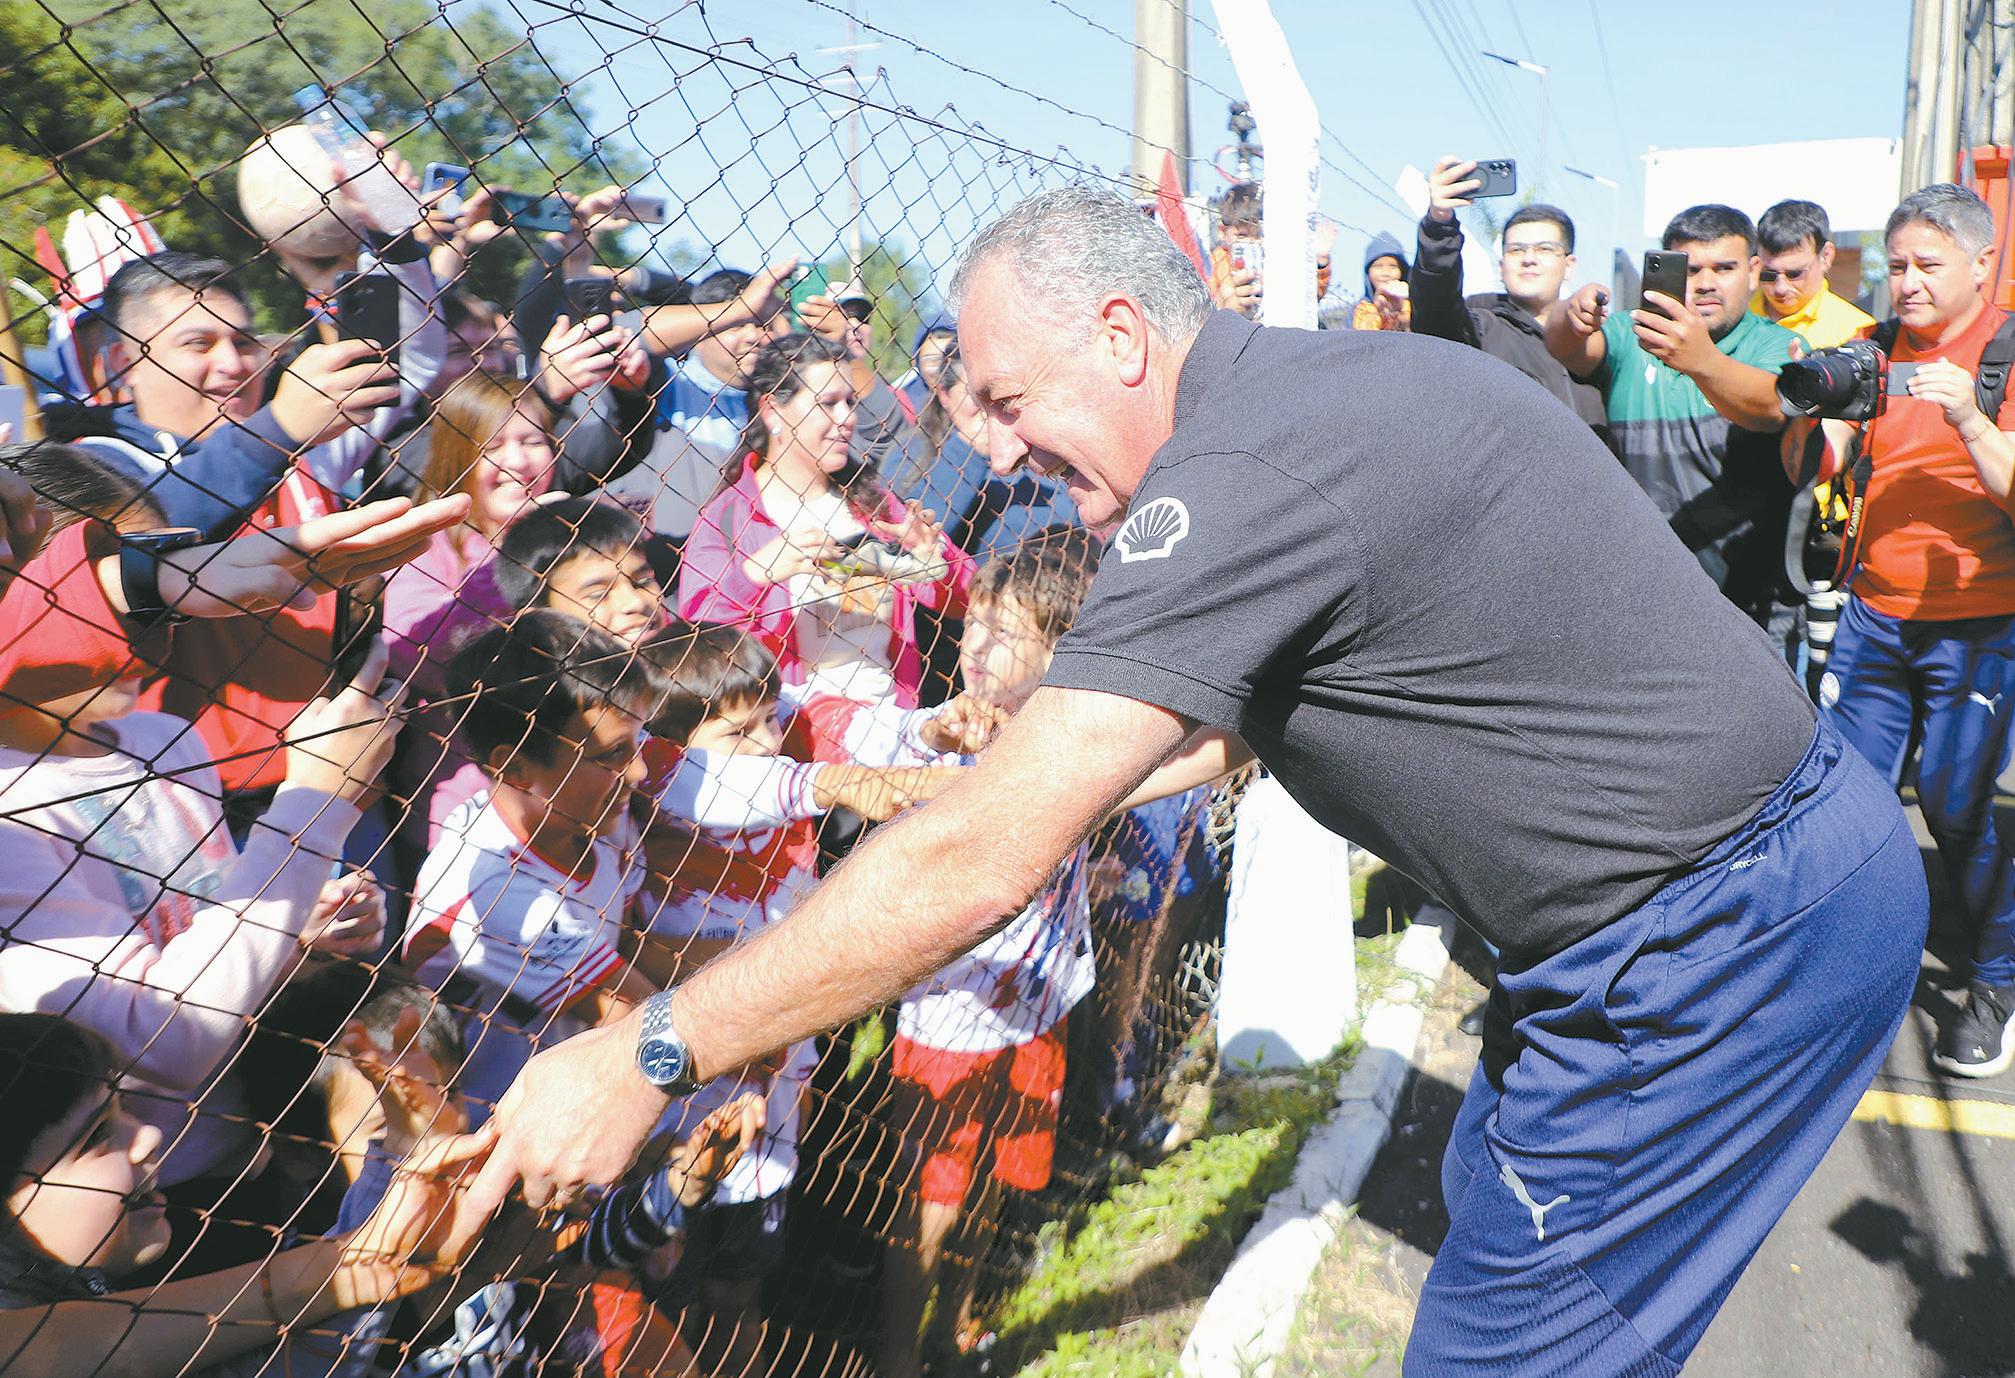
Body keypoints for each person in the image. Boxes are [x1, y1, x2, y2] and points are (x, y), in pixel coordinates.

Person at [468, 185, 1929, 1377]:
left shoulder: (1238, 472)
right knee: (1495, 1229)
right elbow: (1270, 705)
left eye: (1005, 396)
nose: (989, 440)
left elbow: (982, 862)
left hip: (1709, 942)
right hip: (1707, 905)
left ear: (1119, 335)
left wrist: (645, 1052)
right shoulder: (1317, 394)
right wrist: (1043, 782)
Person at [848, 534, 1101, 1377]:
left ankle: (952, 1327)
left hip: (1040, 989)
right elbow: (897, 754)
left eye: (1004, 632)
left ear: (1057, 650)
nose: (977, 647)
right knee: (932, 1188)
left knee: (995, 1171)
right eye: (971, 626)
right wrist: (937, 737)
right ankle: (894, 1355)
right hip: (951, 1010)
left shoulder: (1073, 731)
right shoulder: (947, 732)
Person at [1795, 183, 2015, 1077]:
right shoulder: (1872, 347)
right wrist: (1808, 414)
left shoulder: (2005, 352)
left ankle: (1994, 981)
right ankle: (1846, 971)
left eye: (1928, 264)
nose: (1908, 282)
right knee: (1843, 801)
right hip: (1874, 613)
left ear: (1982, 263)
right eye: (1895, 266)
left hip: (1981, 623)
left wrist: (1967, 415)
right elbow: (1824, 464)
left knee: (1955, 805)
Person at [0, 1012, 501, 1378]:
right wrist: (369, 1249)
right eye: (97, 1136)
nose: (148, 1135)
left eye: (123, 1109)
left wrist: (397, 1166)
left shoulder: (74, 1285)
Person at [400, 610, 661, 1116]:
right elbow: (635, 1017)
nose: (639, 771)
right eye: (612, 754)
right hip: (495, 1125)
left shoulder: (601, 816)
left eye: (637, 742)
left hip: (584, 1091)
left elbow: (637, 952)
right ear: (515, 767)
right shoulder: (493, 888)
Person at [677, 332, 972, 762]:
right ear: (772, 409)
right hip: (798, 744)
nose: (846, 418)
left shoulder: (871, 502)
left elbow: (965, 599)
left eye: (850, 401)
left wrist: (937, 560)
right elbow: (699, 646)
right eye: (827, 403)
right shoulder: (728, 520)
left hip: (898, 727)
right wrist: (753, 577)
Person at [1546, 203, 1803, 653]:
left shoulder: (1776, 343)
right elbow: (1564, 346)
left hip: (1748, 608)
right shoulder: (1632, 335)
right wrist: (1570, 314)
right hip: (1641, 602)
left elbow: (1772, 405)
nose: (1705, 283)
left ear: (1752, 271)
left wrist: (1703, 362)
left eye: (1724, 268)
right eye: (1692, 269)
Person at [46, 252, 400, 538]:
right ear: (127, 363)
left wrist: (394, 244)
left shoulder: (308, 441)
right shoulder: (89, 463)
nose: (233, 365)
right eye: (199, 343)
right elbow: (135, 530)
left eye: (243, 343)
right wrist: (275, 431)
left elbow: (413, 367)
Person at [1409, 159, 1606, 438]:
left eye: (1545, 249)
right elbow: (1435, 308)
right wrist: (1439, 226)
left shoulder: (1598, 344)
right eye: (1516, 250)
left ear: (1569, 265)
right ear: (1501, 266)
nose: (1529, 259)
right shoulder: (1479, 331)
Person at [611, 265, 790, 540]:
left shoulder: (778, 402)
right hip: (665, 555)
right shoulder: (667, 382)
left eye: (762, 324)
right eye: (735, 325)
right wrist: (736, 309)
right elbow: (626, 334)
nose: (753, 337)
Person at [1752, 199, 1876, 348]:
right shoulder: (1734, 315)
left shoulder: (1857, 331)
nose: (1780, 288)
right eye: (1768, 275)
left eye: (1794, 274)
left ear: (1826, 257)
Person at [1350, 231, 1411, 331]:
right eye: (1378, 266)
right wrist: (1381, 313)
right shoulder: (1360, 310)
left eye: (1393, 266)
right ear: (1368, 272)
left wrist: (1398, 311)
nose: (1386, 273)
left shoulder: (1415, 307)